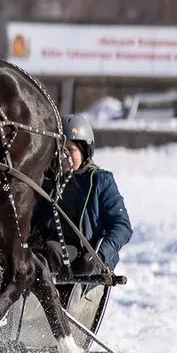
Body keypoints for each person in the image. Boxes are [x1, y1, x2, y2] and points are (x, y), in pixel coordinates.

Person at [32, 114, 133, 274]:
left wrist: (98, 255)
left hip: (81, 253)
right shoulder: (49, 181)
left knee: (49, 252)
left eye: (70, 150)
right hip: (47, 244)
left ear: (84, 151)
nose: (63, 157)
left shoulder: (100, 180)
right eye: (59, 150)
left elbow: (122, 226)